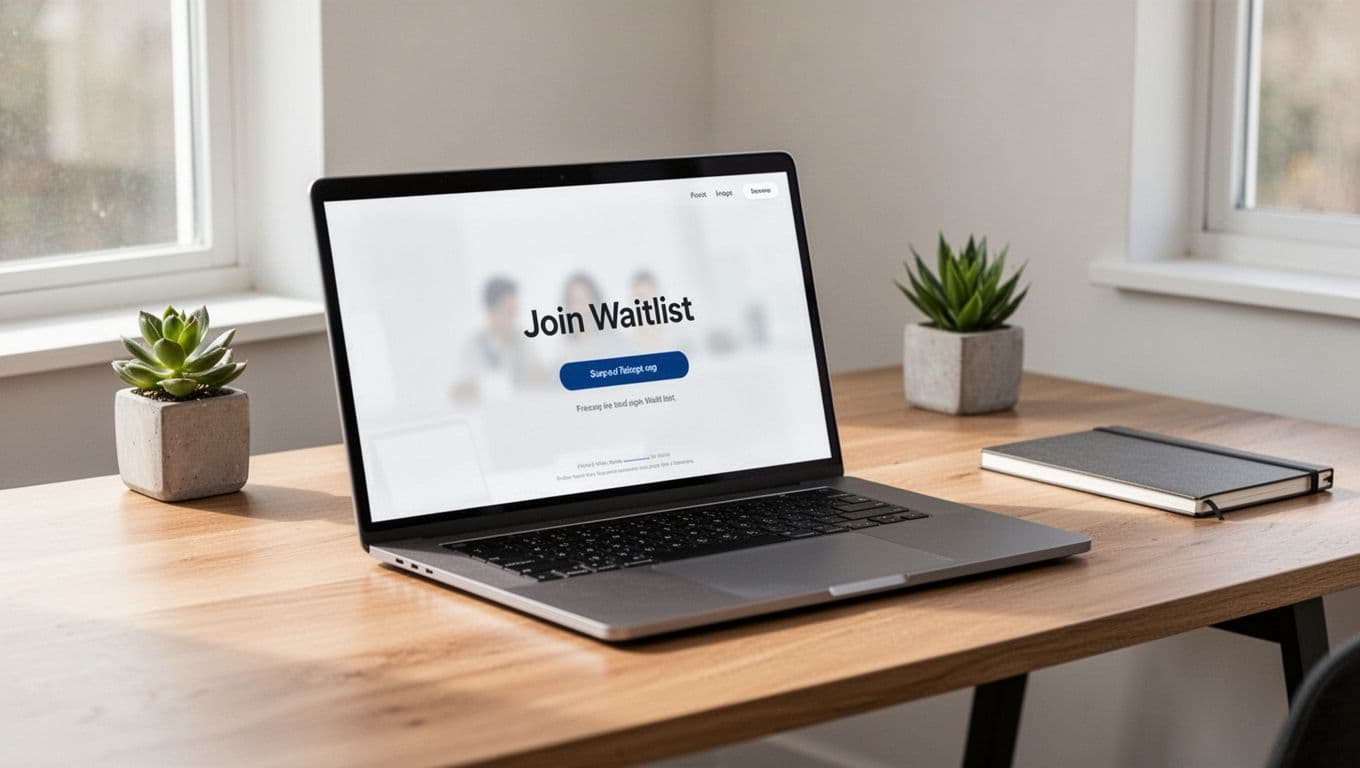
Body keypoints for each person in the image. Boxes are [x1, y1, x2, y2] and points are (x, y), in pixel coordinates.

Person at [452, 276, 541, 402]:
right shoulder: (473, 348)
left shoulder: (524, 341)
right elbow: (463, 391)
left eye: (516, 311)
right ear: (491, 311)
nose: (514, 317)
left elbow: (535, 377)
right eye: (509, 311)